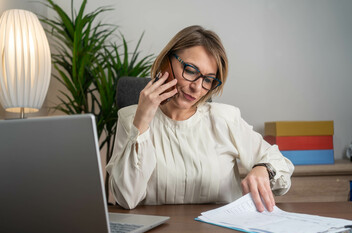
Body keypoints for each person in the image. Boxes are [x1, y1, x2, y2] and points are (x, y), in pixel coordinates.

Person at [106, 25, 294, 211]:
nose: (197, 87)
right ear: (166, 61)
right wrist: (142, 123)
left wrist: (264, 169)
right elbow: (126, 198)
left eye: (207, 79)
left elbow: (281, 163)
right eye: (190, 70)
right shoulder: (129, 118)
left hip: (221, 231)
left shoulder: (225, 118)